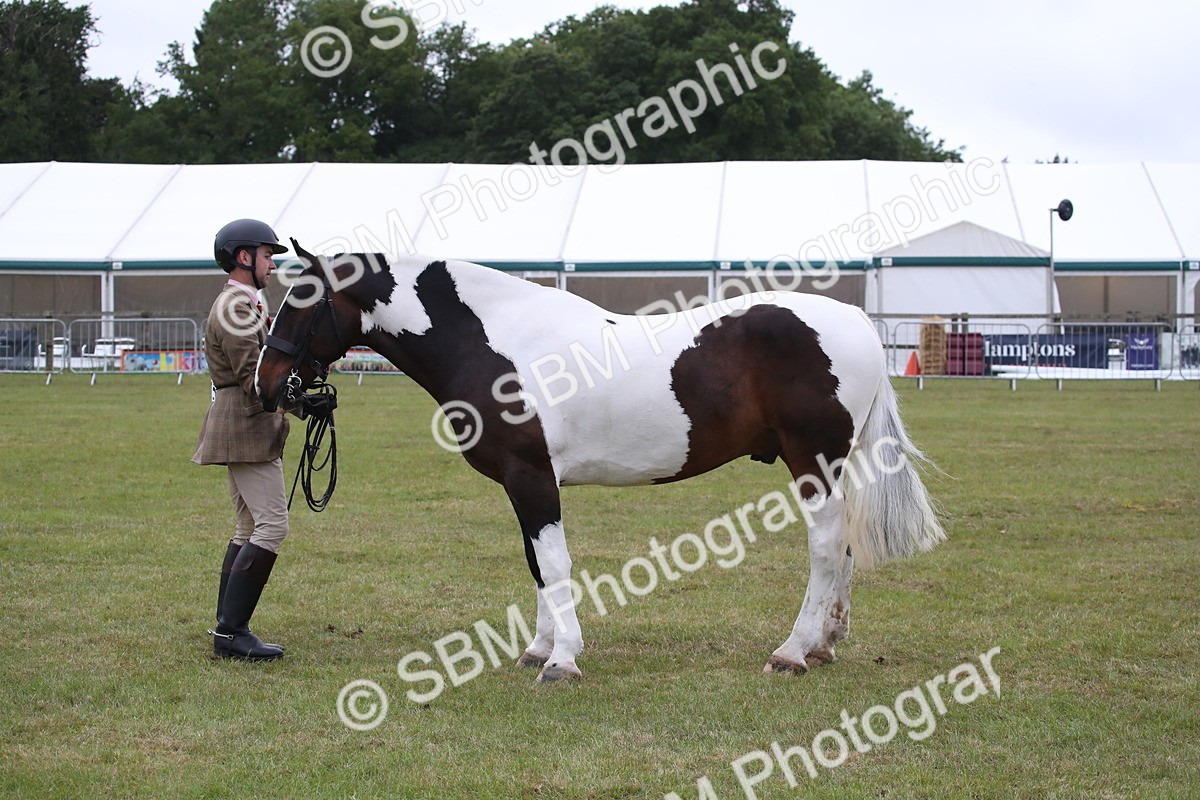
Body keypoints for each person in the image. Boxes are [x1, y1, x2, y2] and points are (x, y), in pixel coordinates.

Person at [192, 218, 329, 661]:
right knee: (272, 525)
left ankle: (226, 629)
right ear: (244, 257)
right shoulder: (235, 306)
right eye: (268, 256)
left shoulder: (244, 302)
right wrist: (303, 405)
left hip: (243, 421)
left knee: (249, 527)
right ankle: (232, 632)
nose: (272, 265)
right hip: (246, 423)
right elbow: (257, 380)